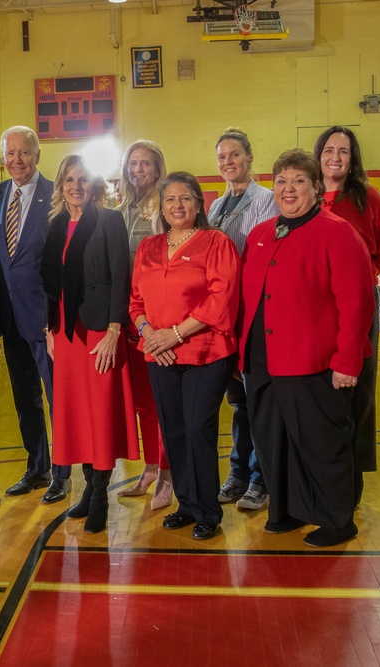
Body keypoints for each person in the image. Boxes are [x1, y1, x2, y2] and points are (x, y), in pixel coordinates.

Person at [239, 149, 374, 548]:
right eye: (281, 181)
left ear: (316, 187)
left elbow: (357, 303)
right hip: (262, 361)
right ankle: (286, 510)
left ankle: (336, 520)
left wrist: (347, 361)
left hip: (313, 363)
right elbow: (247, 300)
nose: (288, 189)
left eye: (298, 181)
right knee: (272, 443)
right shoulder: (261, 234)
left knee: (321, 446)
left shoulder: (337, 232)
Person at [131, 172, 240, 540]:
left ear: (198, 204)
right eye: (170, 200)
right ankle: (187, 504)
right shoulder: (147, 248)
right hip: (159, 354)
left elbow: (220, 298)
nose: (178, 206)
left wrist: (174, 335)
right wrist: (151, 336)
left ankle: (208, 509)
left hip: (205, 352)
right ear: (161, 208)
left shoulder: (215, 242)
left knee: (197, 429)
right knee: (173, 431)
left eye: (186, 198)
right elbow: (135, 303)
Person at [41, 155, 139, 534]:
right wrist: (48, 329)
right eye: (69, 179)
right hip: (66, 336)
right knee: (78, 416)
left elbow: (120, 277)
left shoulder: (110, 220)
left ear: (92, 184)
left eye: (82, 179)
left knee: (100, 414)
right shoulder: (56, 225)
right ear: (61, 185)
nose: (76, 185)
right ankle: (87, 491)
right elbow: (50, 284)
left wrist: (115, 329)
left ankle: (100, 496)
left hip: (100, 333)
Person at [0, 126, 70, 504]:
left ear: (37, 155)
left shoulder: (57, 195)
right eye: (11, 154)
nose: (17, 160)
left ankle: (64, 473)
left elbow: (64, 265)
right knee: (26, 400)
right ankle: (38, 467)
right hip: (10, 319)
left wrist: (57, 319)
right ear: (3, 160)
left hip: (46, 319)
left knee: (57, 398)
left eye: (24, 152)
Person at [315, 126, 380, 506]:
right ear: (318, 155)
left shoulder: (368, 198)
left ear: (353, 159)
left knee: (358, 392)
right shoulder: (306, 195)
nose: (335, 157)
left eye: (343, 151)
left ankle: (353, 481)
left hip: (357, 307)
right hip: (314, 310)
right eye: (329, 150)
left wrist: (359, 280)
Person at [209, 128, 280, 512]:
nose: (228, 162)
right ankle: (238, 472)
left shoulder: (268, 201)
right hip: (228, 316)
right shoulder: (217, 206)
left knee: (259, 401)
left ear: (250, 158)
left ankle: (260, 478)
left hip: (257, 314)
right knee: (238, 402)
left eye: (234, 155)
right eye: (222, 157)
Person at [114, 140, 172, 509]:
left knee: (164, 402)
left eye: (146, 163)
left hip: (159, 319)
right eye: (133, 163)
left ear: (157, 169)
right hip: (130, 318)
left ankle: (168, 475)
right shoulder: (120, 211)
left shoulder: (165, 208)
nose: (138, 170)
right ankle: (150, 468)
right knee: (144, 405)